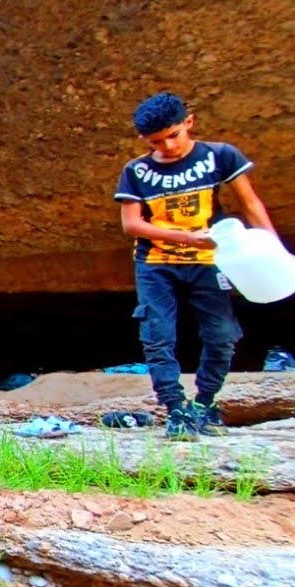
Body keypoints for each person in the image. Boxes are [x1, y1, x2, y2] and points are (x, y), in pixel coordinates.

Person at [114, 92, 278, 440]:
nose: (168, 146)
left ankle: (204, 403)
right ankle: (175, 409)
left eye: (173, 135)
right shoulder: (136, 171)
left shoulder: (219, 155)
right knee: (157, 336)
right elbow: (132, 224)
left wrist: (273, 249)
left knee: (222, 334)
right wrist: (187, 238)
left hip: (209, 260)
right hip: (156, 262)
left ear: (189, 122)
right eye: (157, 141)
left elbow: (250, 203)